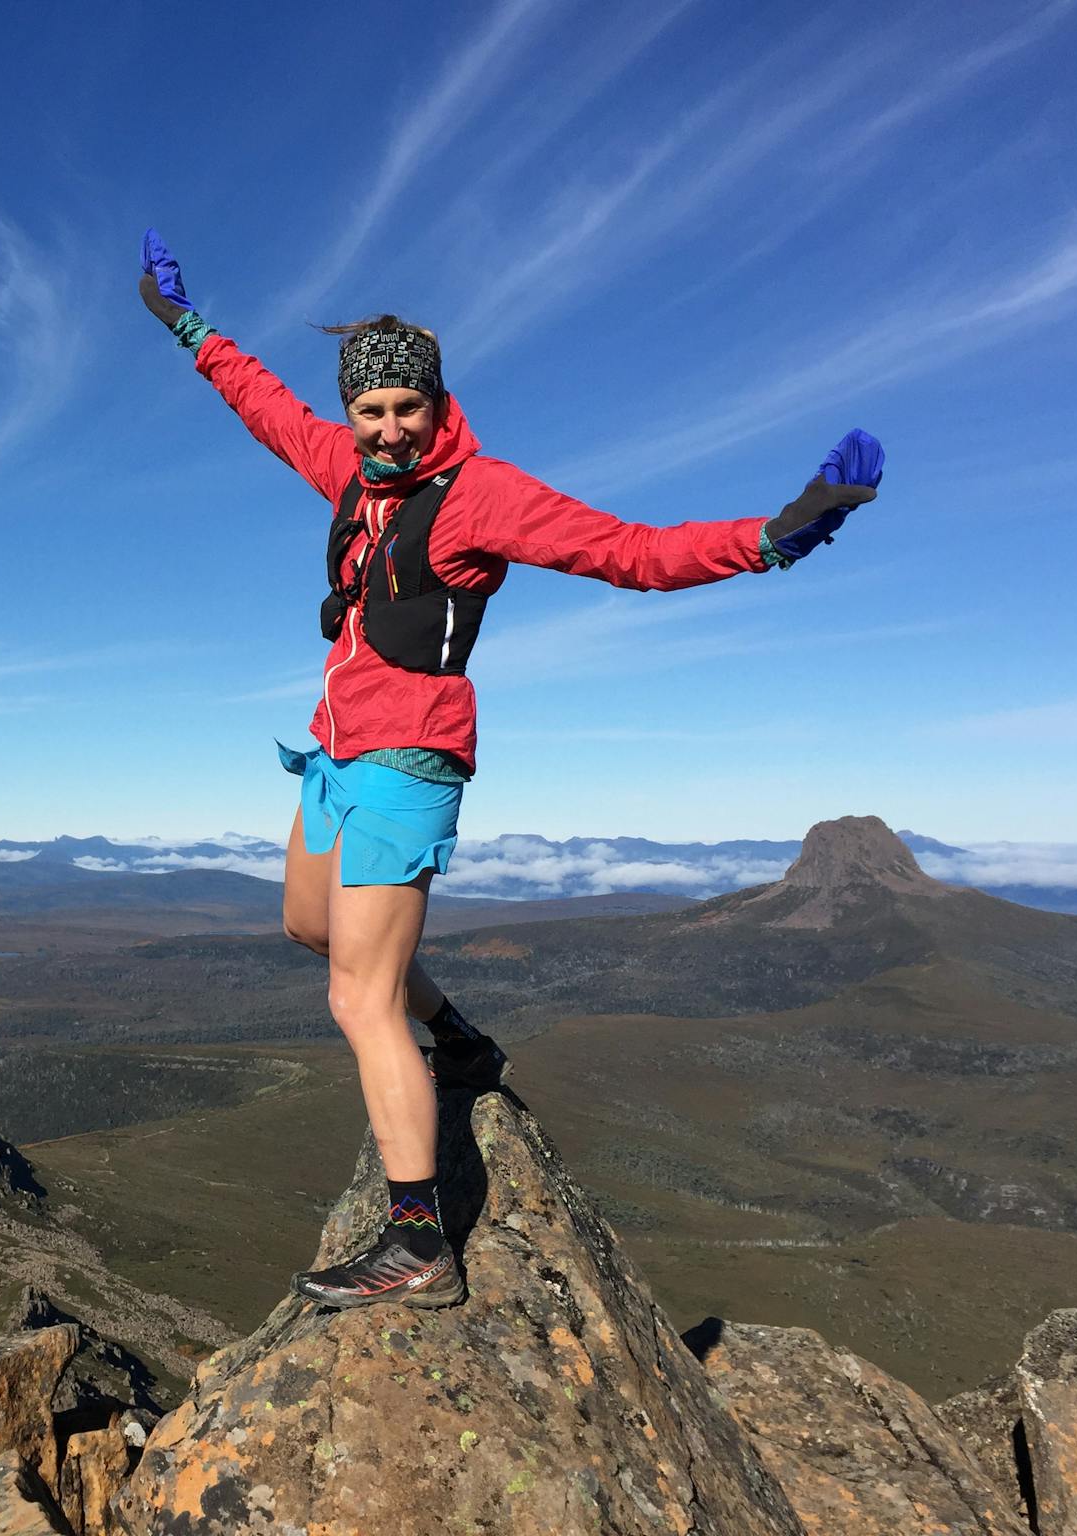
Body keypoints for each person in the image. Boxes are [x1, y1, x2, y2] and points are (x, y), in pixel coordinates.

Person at [137, 228, 881, 1312]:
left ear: (438, 403)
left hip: (409, 756)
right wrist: (184, 324)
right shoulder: (346, 470)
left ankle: (415, 1244)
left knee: (357, 994)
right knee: (308, 926)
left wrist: (770, 536)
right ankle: (462, 1041)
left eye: (407, 408)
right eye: (370, 411)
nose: (388, 428)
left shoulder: (480, 494)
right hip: (335, 748)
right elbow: (262, 404)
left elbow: (624, 550)